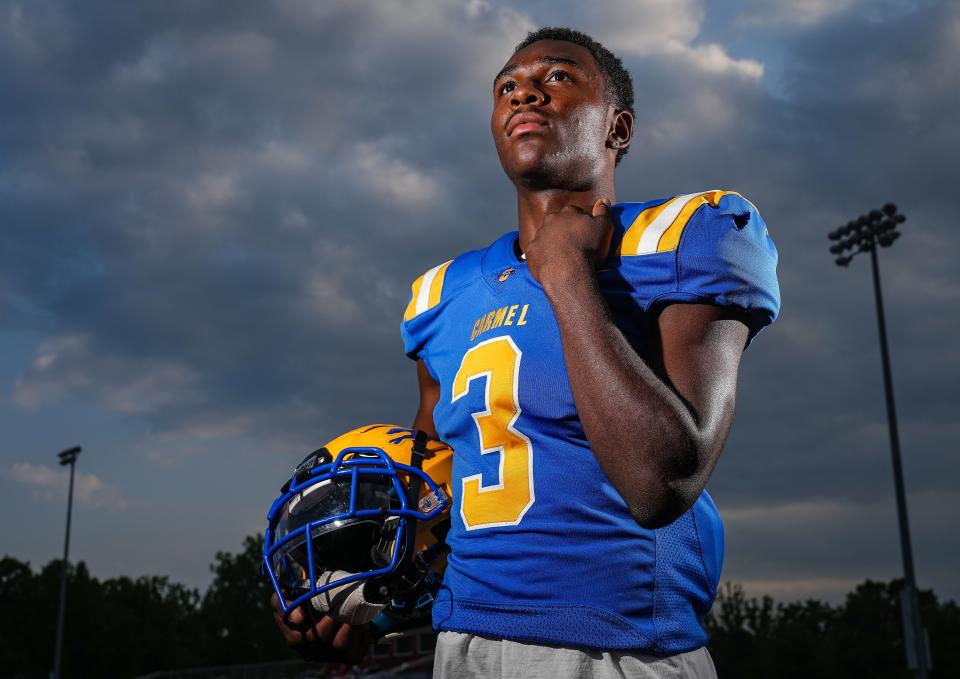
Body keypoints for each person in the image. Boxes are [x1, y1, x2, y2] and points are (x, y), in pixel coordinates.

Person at [272, 26, 780, 678]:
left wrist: (567, 275)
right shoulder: (440, 295)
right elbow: (437, 488)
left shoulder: (687, 234)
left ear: (617, 128)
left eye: (558, 77)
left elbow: (662, 482)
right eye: (506, 86)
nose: (525, 92)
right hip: (462, 642)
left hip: (618, 647)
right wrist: (355, 599)